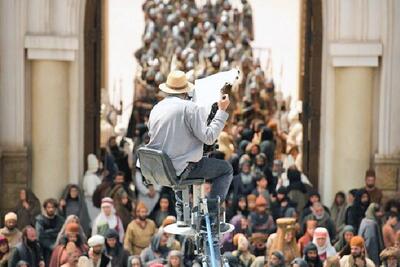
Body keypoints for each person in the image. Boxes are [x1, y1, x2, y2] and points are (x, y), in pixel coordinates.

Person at [144, 70, 233, 216]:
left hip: (161, 168)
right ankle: (211, 215)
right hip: (181, 168)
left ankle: (181, 211)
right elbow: (209, 137)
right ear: (186, 91)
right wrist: (222, 111)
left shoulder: (157, 108)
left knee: (179, 160)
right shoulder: (190, 108)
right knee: (226, 169)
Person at [35, 198, 65, 265]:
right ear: (45, 208)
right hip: (44, 250)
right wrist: (55, 232)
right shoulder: (40, 220)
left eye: (53, 207)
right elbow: (40, 236)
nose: (51, 209)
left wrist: (47, 232)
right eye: (49, 207)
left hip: (58, 248)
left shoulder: (60, 220)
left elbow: (62, 232)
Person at [82, 153, 102, 221]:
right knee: (95, 221)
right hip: (92, 203)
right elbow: (91, 192)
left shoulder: (93, 176)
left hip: (95, 203)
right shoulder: (90, 177)